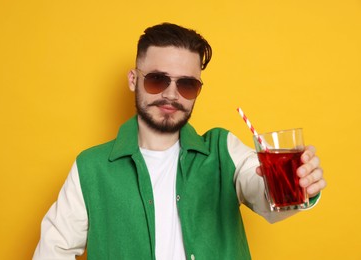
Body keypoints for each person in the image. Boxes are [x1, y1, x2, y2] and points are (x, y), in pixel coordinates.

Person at [33, 23, 326, 260]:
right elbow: (52, 249)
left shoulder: (222, 150)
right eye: (158, 79)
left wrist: (296, 184)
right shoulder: (91, 168)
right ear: (134, 80)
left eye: (187, 84)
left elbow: (261, 189)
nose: (172, 95)